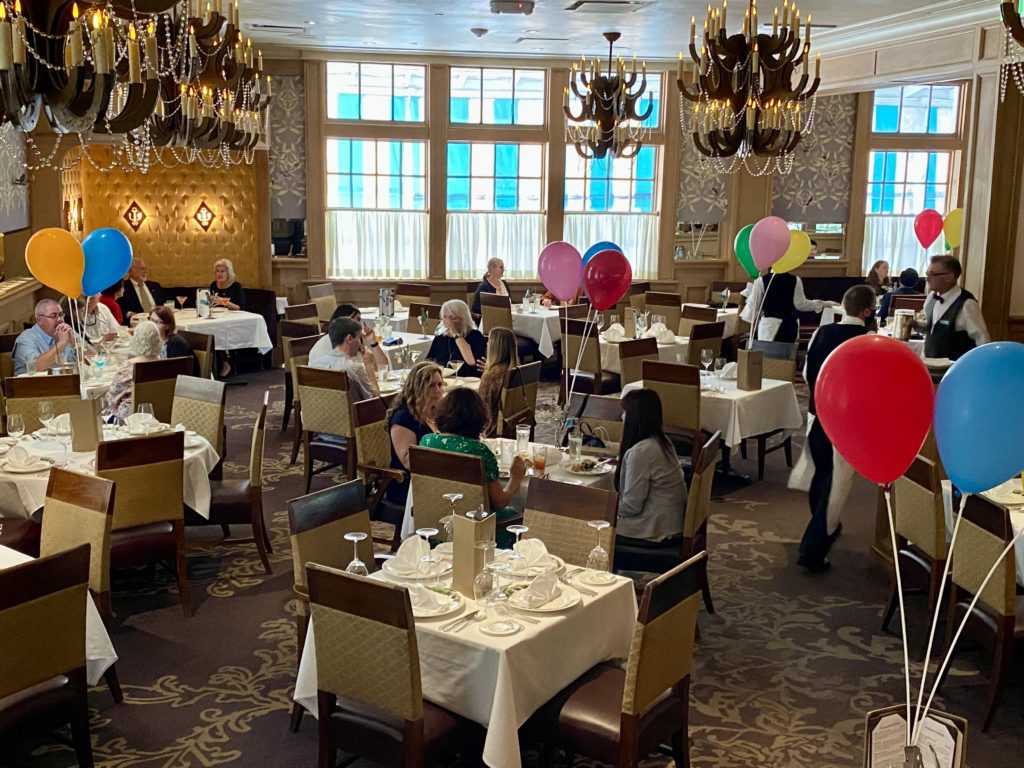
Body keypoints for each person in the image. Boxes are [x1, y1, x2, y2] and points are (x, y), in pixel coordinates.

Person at [794, 284, 877, 573]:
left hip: (818, 415)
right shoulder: (869, 341)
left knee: (820, 475)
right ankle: (815, 546)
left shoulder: (822, 332)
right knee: (838, 483)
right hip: (847, 423)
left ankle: (823, 527)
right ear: (868, 311)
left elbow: (807, 373)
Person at [420, 388, 527, 511]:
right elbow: (499, 502)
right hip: (473, 524)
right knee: (523, 512)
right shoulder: (478, 451)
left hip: (432, 515)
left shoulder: (427, 441)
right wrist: (516, 478)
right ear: (478, 418)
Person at [613, 389, 688, 545]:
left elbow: (632, 506)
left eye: (625, 412)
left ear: (634, 417)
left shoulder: (640, 452)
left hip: (654, 528)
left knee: (590, 524)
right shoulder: (663, 441)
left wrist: (603, 508)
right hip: (671, 520)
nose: (622, 417)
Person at [385, 362, 445, 505]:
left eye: (440, 385)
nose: (438, 390)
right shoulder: (402, 418)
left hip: (436, 475)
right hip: (408, 483)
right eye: (432, 385)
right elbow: (409, 462)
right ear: (418, 388)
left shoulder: (438, 412)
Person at [922, 254, 990, 360]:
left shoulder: (967, 304)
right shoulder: (931, 299)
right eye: (927, 274)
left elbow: (982, 339)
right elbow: (933, 329)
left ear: (950, 277)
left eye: (933, 274)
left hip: (955, 368)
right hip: (930, 365)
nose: (927, 279)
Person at [740, 270, 837, 343]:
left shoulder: (761, 281)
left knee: (767, 361)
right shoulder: (795, 280)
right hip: (790, 324)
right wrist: (823, 304)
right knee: (787, 361)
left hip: (769, 325)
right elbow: (800, 304)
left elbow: (754, 307)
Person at [103, 320, 163, 423]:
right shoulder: (166, 365)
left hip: (130, 419)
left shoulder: (128, 368)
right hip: (159, 414)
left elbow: (112, 398)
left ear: (136, 341)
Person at [309, 316, 378, 401]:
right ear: (349, 339)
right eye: (359, 338)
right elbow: (375, 402)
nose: (360, 343)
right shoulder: (354, 369)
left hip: (318, 413)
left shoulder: (314, 365)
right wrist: (369, 366)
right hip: (352, 414)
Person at [308, 303, 388, 368]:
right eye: (353, 320)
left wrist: (373, 342)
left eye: (359, 320)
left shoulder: (359, 339)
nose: (358, 324)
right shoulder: (324, 345)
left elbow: (384, 367)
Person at [13, 299, 79, 375]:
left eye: (61, 315)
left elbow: (93, 359)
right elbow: (37, 367)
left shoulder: (66, 332)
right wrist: (62, 343)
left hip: (66, 382)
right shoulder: (25, 339)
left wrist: (75, 343)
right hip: (34, 385)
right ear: (39, 320)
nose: (60, 319)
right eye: (53, 316)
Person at [426, 299, 486, 377]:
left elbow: (471, 362)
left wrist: (455, 334)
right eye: (445, 317)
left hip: (467, 380)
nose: (448, 322)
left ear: (464, 319)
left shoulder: (475, 336)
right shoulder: (441, 337)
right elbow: (429, 362)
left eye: (453, 318)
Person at [478, 327, 520, 436]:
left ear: (494, 347)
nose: (487, 344)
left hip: (494, 428)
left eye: (489, 342)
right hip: (515, 422)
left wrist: (487, 374)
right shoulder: (517, 370)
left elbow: (482, 408)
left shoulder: (492, 375)